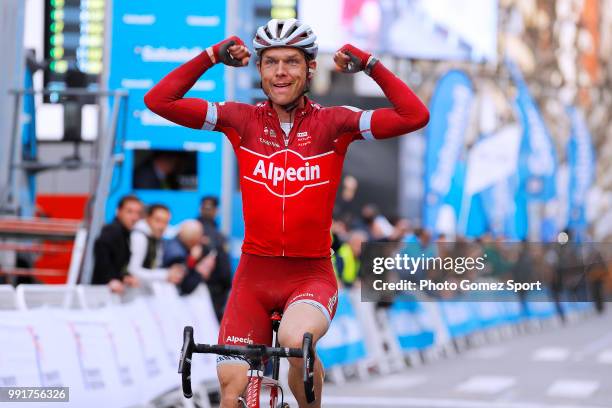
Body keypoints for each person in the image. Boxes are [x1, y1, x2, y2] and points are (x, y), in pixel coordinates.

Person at [145, 18, 429, 408]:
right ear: (258, 69)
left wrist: (370, 64)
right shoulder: (240, 120)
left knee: (297, 342)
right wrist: (211, 56)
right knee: (230, 389)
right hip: (253, 277)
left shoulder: (334, 123)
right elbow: (159, 101)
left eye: (292, 62)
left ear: (310, 68)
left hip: (310, 275)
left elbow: (415, 115)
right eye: (271, 62)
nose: (281, 72)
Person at [92, 195, 143, 294]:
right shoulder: (113, 230)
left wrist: (124, 277)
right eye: (129, 211)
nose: (134, 217)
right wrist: (110, 279)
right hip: (99, 291)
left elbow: (117, 264)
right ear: (118, 211)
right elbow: (101, 252)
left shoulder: (125, 233)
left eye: (138, 213)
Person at [128, 204, 185, 290]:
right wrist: (165, 274)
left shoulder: (156, 237)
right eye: (158, 220)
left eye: (166, 222)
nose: (162, 226)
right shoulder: (139, 237)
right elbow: (133, 270)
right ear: (148, 218)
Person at [196, 196, 232, 322]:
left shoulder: (194, 229)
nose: (207, 211)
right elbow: (224, 269)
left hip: (201, 287)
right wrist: (227, 285)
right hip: (211, 289)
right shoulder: (217, 236)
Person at [163, 219, 217, 296]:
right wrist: (199, 269)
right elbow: (185, 288)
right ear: (193, 240)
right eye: (199, 237)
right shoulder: (177, 256)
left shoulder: (175, 245)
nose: (202, 240)